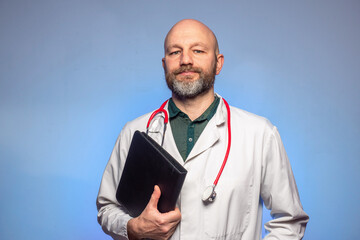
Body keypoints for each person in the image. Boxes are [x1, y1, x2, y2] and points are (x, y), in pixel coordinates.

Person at [97, 19, 309, 240]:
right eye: (174, 52)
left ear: (218, 63)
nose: (185, 60)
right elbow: (107, 207)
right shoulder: (135, 131)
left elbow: (290, 221)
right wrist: (133, 228)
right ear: (164, 64)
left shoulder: (260, 134)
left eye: (197, 50)